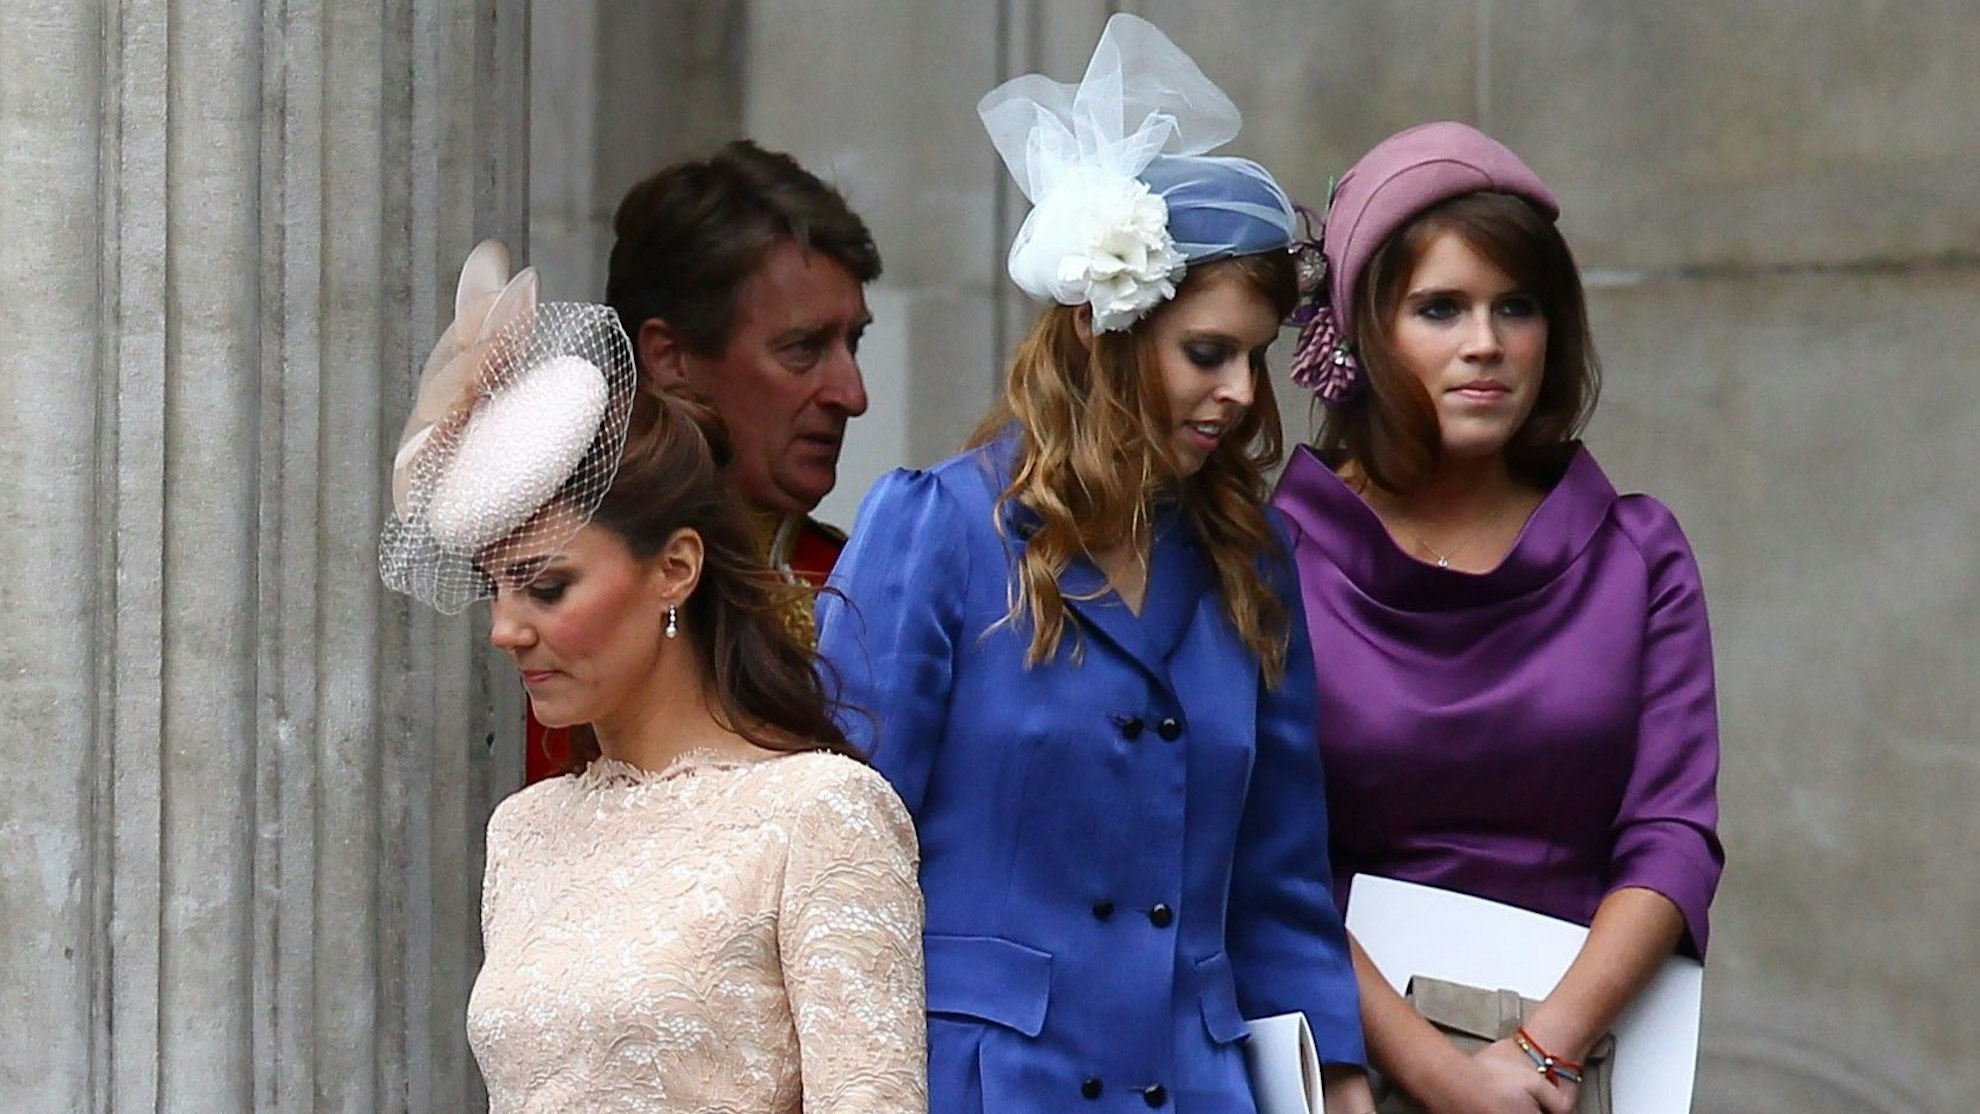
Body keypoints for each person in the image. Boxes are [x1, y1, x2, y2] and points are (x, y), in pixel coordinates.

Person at [817, 16, 1373, 1113]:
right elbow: (842, 862)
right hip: (985, 1085)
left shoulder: (1253, 559)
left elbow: (1279, 885)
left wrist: (1343, 1083)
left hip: (1196, 1086)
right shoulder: (937, 528)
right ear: (1102, 331)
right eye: (1207, 353)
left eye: (1255, 358)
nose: (1242, 394)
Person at [380, 241, 925, 1113]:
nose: (504, 629)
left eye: (546, 586)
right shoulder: (523, 830)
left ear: (675, 569)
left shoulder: (822, 813)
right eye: (495, 587)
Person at [1270, 122, 1724, 1113]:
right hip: (1345, 1071)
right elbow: (1266, 859)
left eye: (1515, 305)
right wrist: (1442, 1074)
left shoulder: (1636, 552)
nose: (1486, 342)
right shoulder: (1274, 558)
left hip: (1575, 1069)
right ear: (1361, 331)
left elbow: (1673, 835)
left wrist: (1541, 1050)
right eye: (1441, 308)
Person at [510, 140, 883, 783]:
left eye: (852, 343)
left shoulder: (863, 584)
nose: (852, 394)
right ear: (670, 358)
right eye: (803, 349)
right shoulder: (569, 604)